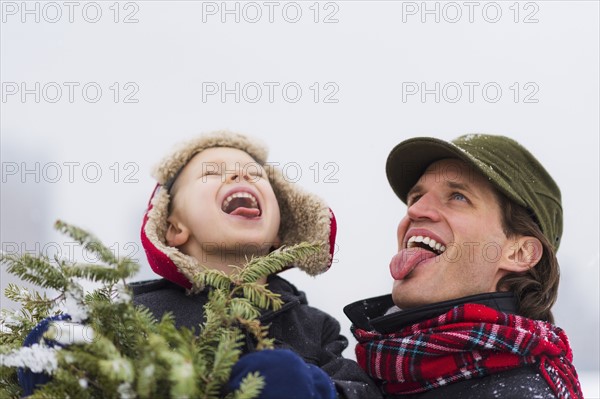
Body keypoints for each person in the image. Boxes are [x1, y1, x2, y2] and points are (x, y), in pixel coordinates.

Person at [133, 130, 381, 398]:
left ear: (278, 234)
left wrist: (310, 386)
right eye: (212, 172)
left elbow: (361, 390)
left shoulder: (314, 327)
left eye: (256, 174)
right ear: (174, 228)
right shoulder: (138, 315)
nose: (241, 175)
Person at [344, 134, 583, 399]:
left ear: (519, 253)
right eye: (416, 197)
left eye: (458, 196)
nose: (415, 210)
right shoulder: (373, 376)